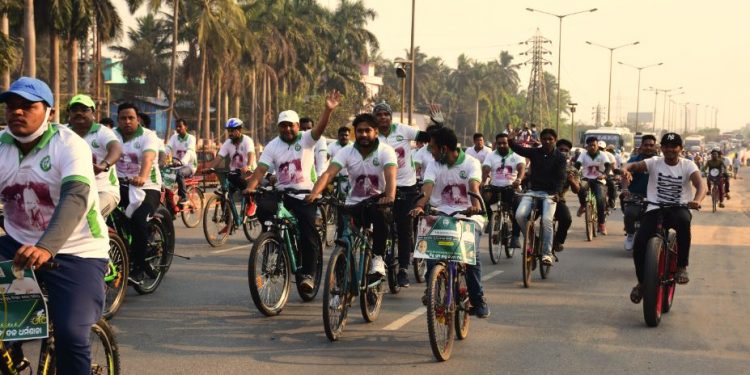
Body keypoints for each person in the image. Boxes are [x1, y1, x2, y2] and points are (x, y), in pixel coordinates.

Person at [0, 77, 109, 373]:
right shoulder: (2, 147)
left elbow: (76, 195)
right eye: (11, 106)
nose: (17, 112)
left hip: (77, 252)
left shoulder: (69, 145)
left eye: (27, 106)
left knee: (72, 334)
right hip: (16, 244)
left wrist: (47, 247)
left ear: (49, 112)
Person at [244, 91, 341, 292]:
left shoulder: (306, 139)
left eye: (291, 125)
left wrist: (328, 110)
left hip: (305, 194)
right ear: (279, 128)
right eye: (283, 126)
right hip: (282, 194)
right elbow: (261, 169)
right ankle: (272, 240)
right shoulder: (273, 145)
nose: (287, 129)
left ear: (297, 126)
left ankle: (308, 274)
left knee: (308, 233)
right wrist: (250, 188)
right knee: (263, 208)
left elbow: (320, 128)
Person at [409, 127, 489, 318]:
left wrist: (475, 206)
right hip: (440, 214)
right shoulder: (434, 164)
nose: (431, 152)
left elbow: (474, 187)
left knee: (471, 258)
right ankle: (432, 287)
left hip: (469, 216)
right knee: (430, 252)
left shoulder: (471, 163)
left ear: (444, 148)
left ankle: (478, 300)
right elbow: (426, 189)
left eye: (433, 148)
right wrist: (420, 206)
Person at [305, 113, 397, 276]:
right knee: (343, 242)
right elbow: (328, 174)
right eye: (359, 131)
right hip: (352, 204)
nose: (363, 134)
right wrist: (314, 193)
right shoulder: (347, 151)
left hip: (376, 203)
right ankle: (340, 280)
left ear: (375, 132)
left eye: (367, 130)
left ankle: (378, 258)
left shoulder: (386, 151)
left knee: (382, 217)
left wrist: (389, 197)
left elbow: (391, 176)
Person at [621, 133, 705, 303]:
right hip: (654, 208)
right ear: (662, 148)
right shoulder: (654, 162)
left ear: (680, 149)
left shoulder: (688, 165)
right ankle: (642, 283)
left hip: (678, 208)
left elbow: (700, 185)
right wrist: (625, 169)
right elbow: (634, 165)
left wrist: (697, 200)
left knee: (683, 221)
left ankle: (681, 267)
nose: (670, 150)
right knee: (639, 244)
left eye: (674, 146)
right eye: (666, 146)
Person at [373, 101, 425, 287]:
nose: (383, 118)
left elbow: (426, 136)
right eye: (379, 115)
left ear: (390, 116)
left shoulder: (403, 130)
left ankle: (403, 269)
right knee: (381, 227)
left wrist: (437, 125)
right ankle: (378, 262)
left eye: (386, 114)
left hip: (406, 187)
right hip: (382, 188)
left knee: (404, 229)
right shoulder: (372, 135)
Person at [114, 102, 163, 280]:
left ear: (138, 119)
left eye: (131, 118)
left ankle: (140, 265)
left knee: (138, 219)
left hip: (147, 187)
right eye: (123, 118)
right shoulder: (112, 136)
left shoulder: (148, 136)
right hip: (120, 185)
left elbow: (148, 158)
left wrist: (142, 176)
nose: (127, 121)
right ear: (117, 120)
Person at [509, 128, 567, 266]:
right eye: (544, 139)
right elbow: (519, 149)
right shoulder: (535, 152)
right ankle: (531, 236)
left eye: (550, 139)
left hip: (550, 194)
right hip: (533, 191)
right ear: (540, 140)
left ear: (555, 140)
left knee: (547, 220)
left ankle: (547, 254)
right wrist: (511, 140)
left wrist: (558, 194)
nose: (547, 141)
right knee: (519, 215)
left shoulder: (560, 157)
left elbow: (562, 178)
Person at [66, 94, 122, 217]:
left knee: (88, 216)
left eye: (84, 109)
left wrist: (104, 165)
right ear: (69, 113)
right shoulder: (62, 133)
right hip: (72, 192)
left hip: (103, 190)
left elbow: (116, 148)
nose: (79, 113)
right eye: (74, 110)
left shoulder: (102, 132)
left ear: (93, 113)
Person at [481, 132, 525, 247]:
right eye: (499, 143)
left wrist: (519, 179)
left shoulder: (516, 154)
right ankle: (491, 220)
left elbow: (521, 168)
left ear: (508, 143)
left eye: (504, 143)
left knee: (517, 211)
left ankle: (515, 237)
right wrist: (483, 181)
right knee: (484, 196)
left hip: (512, 188)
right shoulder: (491, 155)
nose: (501, 145)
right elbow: (486, 168)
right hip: (495, 187)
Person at [208, 118, 256, 211]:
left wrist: (248, 166)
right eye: (229, 131)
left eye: (232, 131)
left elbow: (251, 154)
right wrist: (210, 168)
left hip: (248, 172)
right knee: (223, 192)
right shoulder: (227, 143)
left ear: (239, 130)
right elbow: (219, 157)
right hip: (234, 173)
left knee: (243, 184)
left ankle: (251, 203)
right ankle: (227, 220)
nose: (230, 133)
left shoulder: (247, 140)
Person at [621, 134, 657, 251]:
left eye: (651, 145)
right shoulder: (634, 160)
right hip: (637, 195)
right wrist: (625, 189)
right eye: (646, 145)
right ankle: (630, 234)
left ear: (655, 146)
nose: (648, 147)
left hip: (657, 197)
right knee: (630, 213)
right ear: (641, 146)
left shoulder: (661, 161)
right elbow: (625, 174)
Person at [575, 137, 611, 235]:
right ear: (587, 146)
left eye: (594, 145)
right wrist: (574, 173)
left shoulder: (603, 155)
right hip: (586, 178)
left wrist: (605, 175)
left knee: (599, 200)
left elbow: (608, 166)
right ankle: (583, 205)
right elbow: (577, 165)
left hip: (599, 180)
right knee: (580, 189)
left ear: (597, 146)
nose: (592, 147)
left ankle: (601, 224)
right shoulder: (583, 154)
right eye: (590, 145)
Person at [553, 139, 580, 253]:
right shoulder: (547, 162)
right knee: (524, 216)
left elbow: (577, 190)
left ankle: (558, 241)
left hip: (558, 199)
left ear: (569, 153)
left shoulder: (572, 170)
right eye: (560, 150)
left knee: (567, 219)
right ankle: (531, 239)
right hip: (540, 196)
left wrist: (572, 180)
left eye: (566, 150)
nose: (563, 152)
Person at [166, 118, 198, 205]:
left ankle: (184, 197)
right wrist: (160, 158)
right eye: (176, 127)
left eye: (180, 126)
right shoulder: (174, 137)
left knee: (179, 173)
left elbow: (190, 152)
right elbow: (167, 148)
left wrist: (182, 162)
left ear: (186, 127)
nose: (178, 128)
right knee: (164, 176)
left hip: (189, 166)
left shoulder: (191, 138)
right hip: (176, 165)